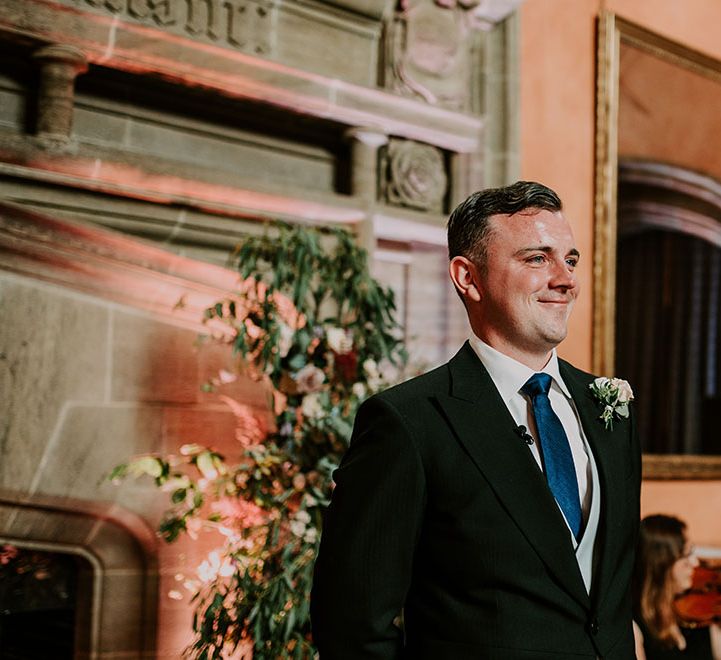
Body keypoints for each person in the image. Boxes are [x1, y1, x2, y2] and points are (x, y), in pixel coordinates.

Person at [311, 181, 642, 659]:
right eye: (536, 258)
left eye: (570, 259)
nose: (566, 279)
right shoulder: (408, 423)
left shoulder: (610, 409)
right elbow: (353, 626)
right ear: (468, 277)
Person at [633, 514, 721, 660]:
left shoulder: (693, 620)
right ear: (662, 565)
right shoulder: (635, 630)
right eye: (686, 554)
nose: (695, 563)